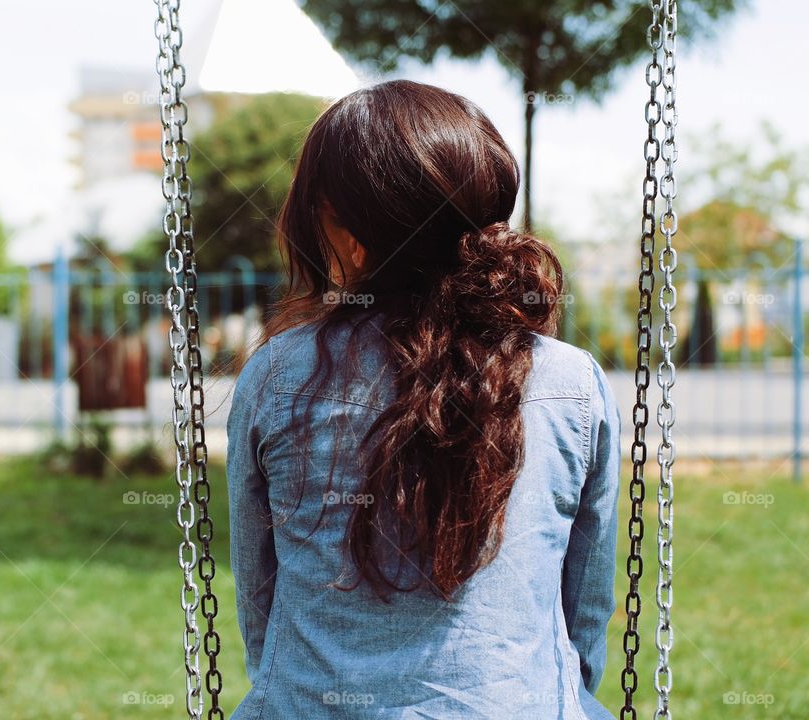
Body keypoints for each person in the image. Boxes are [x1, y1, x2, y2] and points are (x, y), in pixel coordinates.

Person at [226, 79, 622, 720]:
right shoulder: (570, 381)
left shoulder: (276, 376)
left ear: (341, 227)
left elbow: (260, 601)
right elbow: (584, 604)